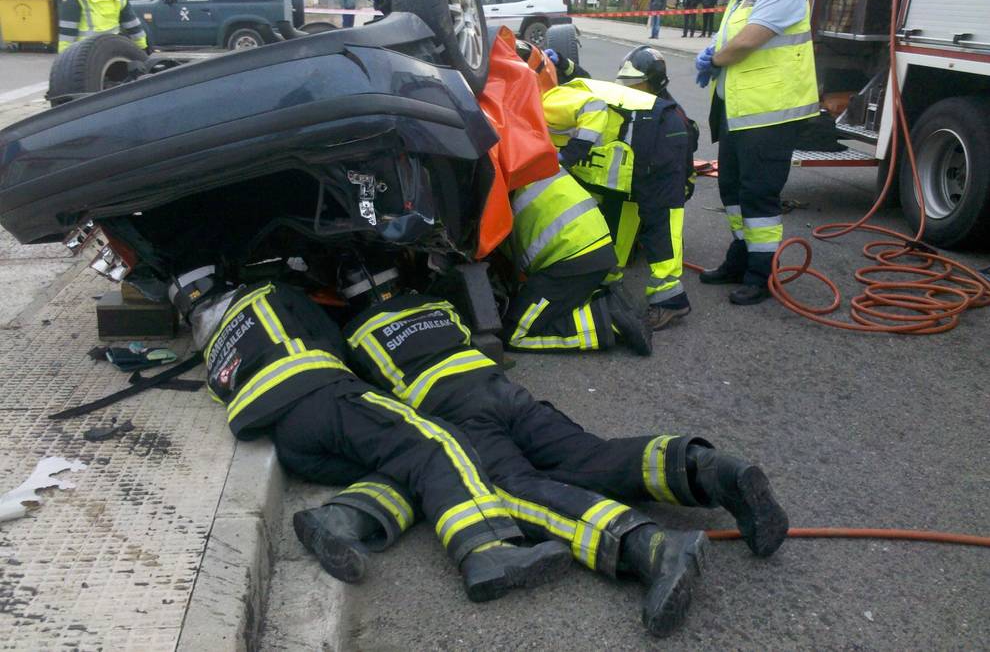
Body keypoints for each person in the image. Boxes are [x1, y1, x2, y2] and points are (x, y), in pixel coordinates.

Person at [336, 272, 788, 637]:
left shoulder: (356, 337)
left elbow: (375, 416)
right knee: (589, 456)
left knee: (515, 489)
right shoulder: (439, 309)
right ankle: (711, 470)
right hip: (509, 396)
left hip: (459, 416)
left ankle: (651, 548)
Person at [169, 265, 572, 603]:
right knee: (439, 444)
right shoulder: (268, 294)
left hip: (290, 440)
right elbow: (332, 339)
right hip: (324, 398)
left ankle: (338, 520)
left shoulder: (214, 344)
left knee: (408, 465)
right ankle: (487, 550)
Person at [695, 0, 818, 305]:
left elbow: (747, 42)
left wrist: (714, 60)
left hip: (769, 116)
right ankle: (741, 255)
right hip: (739, 113)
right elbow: (728, 40)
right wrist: (712, 51)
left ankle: (761, 273)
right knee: (731, 189)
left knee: (758, 195)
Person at [540, 48, 696, 331]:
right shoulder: (565, 92)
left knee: (659, 217)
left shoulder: (547, 102)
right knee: (618, 206)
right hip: (642, 138)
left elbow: (593, 109)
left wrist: (568, 156)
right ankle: (609, 278)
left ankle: (670, 299)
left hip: (658, 134)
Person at [500, 163, 652, 356]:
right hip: (594, 243)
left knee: (514, 334)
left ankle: (608, 320)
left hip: (571, 257)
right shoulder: (528, 154)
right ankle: (602, 297)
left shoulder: (491, 173)